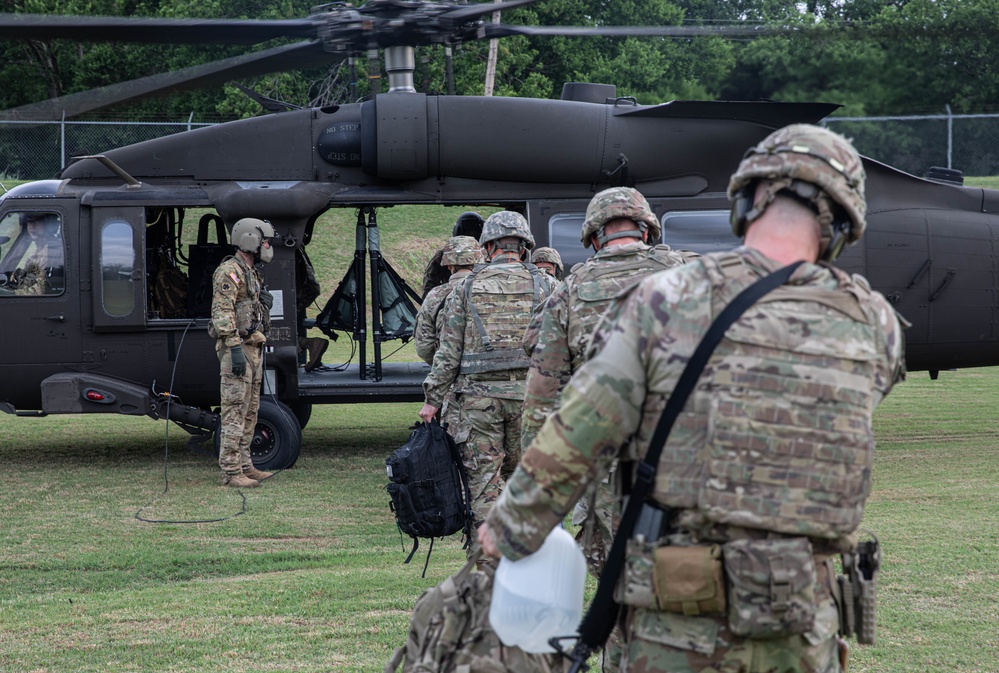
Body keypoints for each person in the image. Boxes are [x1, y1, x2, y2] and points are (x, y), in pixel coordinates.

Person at [481, 124, 907, 672]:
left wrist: (510, 530)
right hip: (803, 625)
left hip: (678, 624)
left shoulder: (668, 298)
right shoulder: (875, 323)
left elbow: (577, 432)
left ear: (748, 199)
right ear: (844, 222)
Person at [519, 187, 691, 673]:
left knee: (617, 589)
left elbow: (542, 394)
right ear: (647, 228)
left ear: (593, 236)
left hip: (610, 469)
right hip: (686, 463)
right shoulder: (687, 275)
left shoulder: (569, 290)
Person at [419, 211, 556, 561]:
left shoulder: (463, 288)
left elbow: (447, 351)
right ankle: (531, 559)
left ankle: (486, 565)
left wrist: (432, 400)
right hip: (533, 402)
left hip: (478, 406)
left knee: (483, 487)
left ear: (489, 247)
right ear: (524, 247)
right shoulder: (550, 286)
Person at [211, 217, 278, 488]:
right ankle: (230, 471)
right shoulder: (229, 271)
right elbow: (222, 312)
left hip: (253, 345)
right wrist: (234, 346)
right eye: (265, 241)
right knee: (234, 410)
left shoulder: (251, 272)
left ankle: (245, 465)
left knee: (250, 410)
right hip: (237, 348)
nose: (267, 246)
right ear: (250, 239)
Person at [13, 213, 64, 295]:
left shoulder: (55, 251)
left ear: (47, 224)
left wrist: (14, 294)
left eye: (37, 221)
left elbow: (44, 287)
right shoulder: (34, 255)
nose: (31, 226)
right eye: (29, 222)